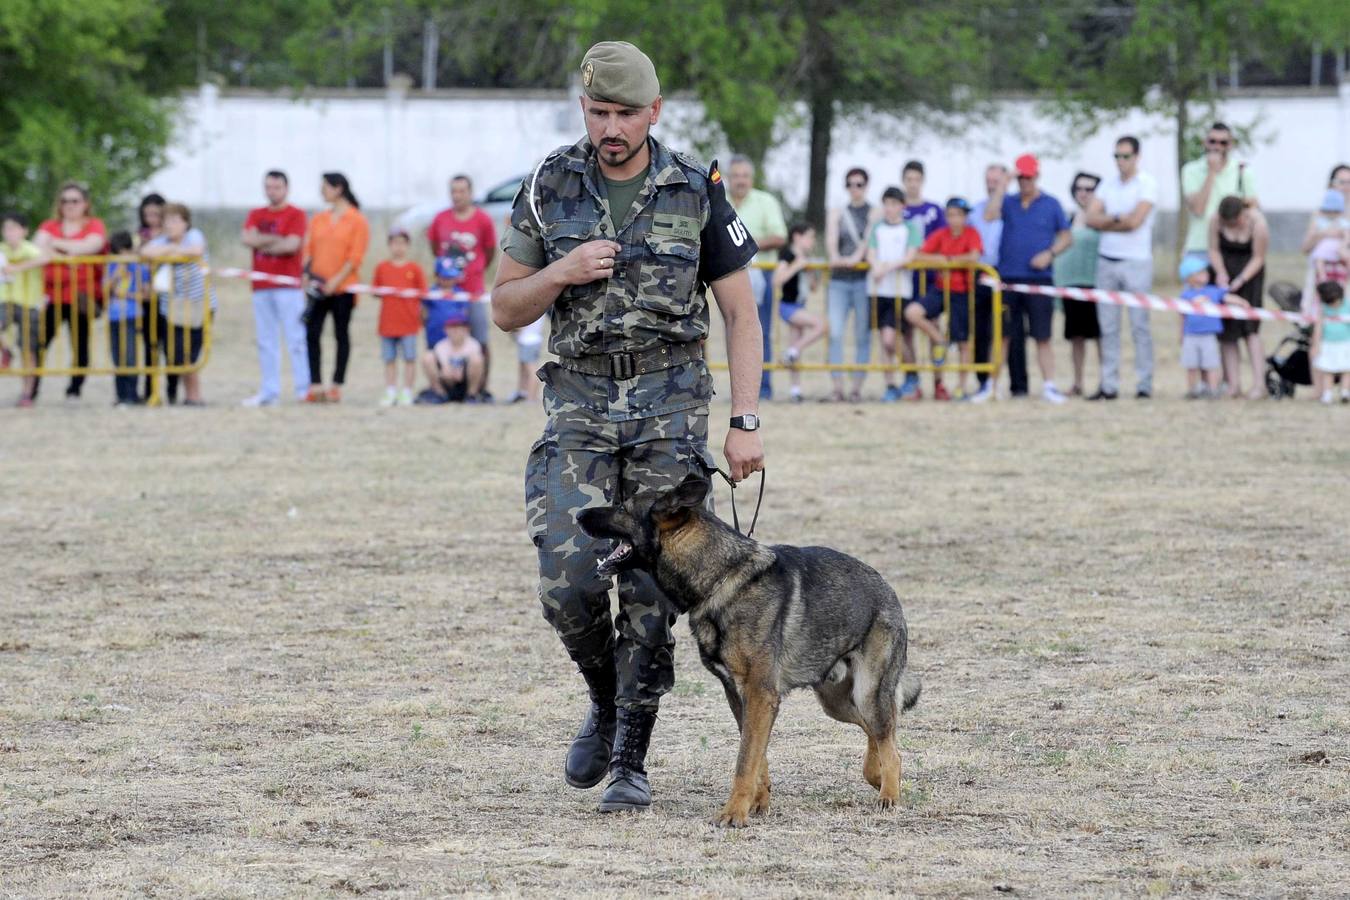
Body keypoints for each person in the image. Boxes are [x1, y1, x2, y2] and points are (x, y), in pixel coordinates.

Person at [491, 41, 763, 817]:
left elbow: (742, 313)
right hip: (577, 406)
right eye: (597, 112)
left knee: (650, 587)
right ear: (584, 110)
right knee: (569, 581)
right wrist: (560, 273)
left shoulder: (693, 186)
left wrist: (744, 421)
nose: (610, 128)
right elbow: (504, 306)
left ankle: (629, 761)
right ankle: (606, 700)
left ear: (654, 111)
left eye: (624, 114)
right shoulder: (549, 183)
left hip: (670, 409)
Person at [984, 153, 1072, 403]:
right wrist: (1002, 185)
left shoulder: (1051, 204)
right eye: (1021, 177)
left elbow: (1066, 236)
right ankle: (991, 385)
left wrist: (1050, 253)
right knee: (1002, 335)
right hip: (1008, 278)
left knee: (1042, 335)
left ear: (1037, 176)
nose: (1025, 182)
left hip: (1039, 280)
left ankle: (1049, 386)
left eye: (1029, 177)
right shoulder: (1008, 202)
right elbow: (989, 215)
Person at [1086, 136, 1157, 399]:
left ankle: (1144, 384)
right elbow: (1090, 217)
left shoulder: (1147, 184)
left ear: (1137, 157)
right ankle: (1109, 384)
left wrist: (1109, 220)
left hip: (1136, 261)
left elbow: (1135, 222)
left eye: (1125, 156)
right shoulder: (1107, 184)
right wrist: (1117, 218)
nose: (1121, 162)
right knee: (1108, 327)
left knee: (1139, 325)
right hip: (1107, 259)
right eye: (1117, 156)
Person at [33, 181, 108, 401]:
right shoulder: (49, 224)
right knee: (39, 343)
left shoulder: (94, 224)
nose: (69, 205)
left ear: (85, 203)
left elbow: (89, 246)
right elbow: (37, 247)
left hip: (82, 296)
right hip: (52, 296)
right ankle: (32, 388)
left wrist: (55, 246)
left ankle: (74, 389)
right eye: (65, 201)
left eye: (74, 200)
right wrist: (69, 255)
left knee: (80, 345)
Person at [241, 171, 309, 407]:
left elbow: (291, 245)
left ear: (286, 188)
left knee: (296, 339)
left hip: (288, 285)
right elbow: (247, 239)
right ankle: (270, 391)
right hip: (261, 285)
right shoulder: (255, 213)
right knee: (266, 340)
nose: (272, 191)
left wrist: (263, 239)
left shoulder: (296, 214)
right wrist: (276, 239)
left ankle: (303, 389)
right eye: (268, 187)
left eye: (277, 187)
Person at [428, 175, 497, 400]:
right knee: (442, 342)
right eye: (453, 191)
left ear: (470, 192)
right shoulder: (440, 219)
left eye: (462, 191)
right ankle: (444, 387)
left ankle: (479, 388)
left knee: (479, 340)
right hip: (447, 292)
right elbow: (435, 247)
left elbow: (489, 251)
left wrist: (475, 270)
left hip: (472, 290)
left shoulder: (483, 220)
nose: (457, 195)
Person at [303, 172, 369, 404]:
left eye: (325, 187)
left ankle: (336, 384)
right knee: (312, 333)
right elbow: (308, 250)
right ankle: (316, 384)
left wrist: (336, 281)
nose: (322, 192)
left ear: (338, 188)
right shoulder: (318, 218)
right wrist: (307, 277)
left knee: (341, 334)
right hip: (317, 286)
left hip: (344, 289)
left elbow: (355, 257)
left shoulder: (356, 220)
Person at [908, 197, 983, 400]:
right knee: (913, 312)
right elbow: (919, 255)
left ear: (965, 217)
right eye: (951, 215)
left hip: (962, 291)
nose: (954, 219)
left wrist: (949, 261)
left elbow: (974, 256)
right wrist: (940, 260)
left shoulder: (972, 234)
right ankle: (940, 340)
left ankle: (960, 385)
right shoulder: (941, 234)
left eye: (959, 215)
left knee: (963, 342)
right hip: (940, 289)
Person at [725, 155, 787, 400]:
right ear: (729, 179)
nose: (740, 180)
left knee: (761, 331)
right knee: (732, 331)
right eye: (736, 176)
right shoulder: (720, 201)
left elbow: (780, 236)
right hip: (729, 277)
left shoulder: (766, 201)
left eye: (745, 176)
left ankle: (765, 387)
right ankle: (737, 390)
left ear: (752, 178)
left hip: (762, 274)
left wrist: (744, 244)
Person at [141, 203, 215, 406]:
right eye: (167, 220)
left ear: (186, 222)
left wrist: (169, 251)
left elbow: (196, 250)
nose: (171, 225)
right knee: (175, 353)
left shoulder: (195, 235)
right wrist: (173, 249)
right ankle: (187, 394)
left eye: (176, 220)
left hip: (198, 304)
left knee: (189, 353)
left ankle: (194, 396)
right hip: (172, 306)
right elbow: (147, 252)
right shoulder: (162, 240)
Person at [1208, 196, 1269, 399]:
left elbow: (1259, 257)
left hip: (1250, 276)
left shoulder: (1258, 224)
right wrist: (1220, 272)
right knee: (1227, 332)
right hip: (1224, 275)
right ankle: (1233, 384)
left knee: (1250, 330)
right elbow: (1214, 249)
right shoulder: (1215, 220)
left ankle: (1259, 385)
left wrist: (1241, 279)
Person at [866, 187, 921, 402]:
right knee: (884, 339)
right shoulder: (877, 228)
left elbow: (909, 256)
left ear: (902, 206)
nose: (890, 209)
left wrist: (885, 268)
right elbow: (871, 253)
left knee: (893, 338)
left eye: (894, 204)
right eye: (887, 204)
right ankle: (890, 383)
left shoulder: (909, 228)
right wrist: (876, 266)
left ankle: (911, 372)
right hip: (878, 290)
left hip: (900, 290)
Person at [825, 167, 875, 402]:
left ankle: (856, 387)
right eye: (851, 184)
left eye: (859, 184)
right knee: (835, 333)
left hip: (864, 280)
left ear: (866, 185)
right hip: (838, 280)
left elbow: (869, 238)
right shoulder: (837, 211)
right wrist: (835, 256)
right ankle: (837, 388)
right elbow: (831, 238)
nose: (855, 188)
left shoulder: (874, 211)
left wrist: (857, 258)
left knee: (862, 335)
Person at [1181, 122, 1258, 261]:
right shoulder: (1190, 170)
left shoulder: (1243, 171)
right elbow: (1198, 209)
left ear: (1230, 144)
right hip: (1200, 247)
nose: (1217, 147)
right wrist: (1211, 172)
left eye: (1223, 142)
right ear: (1205, 142)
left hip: (1230, 247)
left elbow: (1253, 209)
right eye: (1212, 141)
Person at [1055, 172, 1102, 397]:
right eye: (1079, 189)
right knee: (1076, 337)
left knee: (1101, 336)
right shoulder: (1069, 219)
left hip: (1097, 284)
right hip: (1072, 284)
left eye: (1089, 189)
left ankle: (1106, 380)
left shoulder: (1102, 218)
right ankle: (1078, 381)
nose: (1083, 193)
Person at [1177, 255, 1249, 399]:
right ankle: (1193, 390)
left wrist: (1241, 302)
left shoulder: (1213, 291)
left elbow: (1227, 298)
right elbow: (1182, 317)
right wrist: (1181, 334)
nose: (1206, 274)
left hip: (1209, 336)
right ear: (1189, 278)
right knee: (1191, 365)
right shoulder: (1186, 296)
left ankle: (1213, 390)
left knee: (1211, 364)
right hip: (1191, 335)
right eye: (1201, 272)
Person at [772, 222, 826, 402]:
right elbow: (777, 280)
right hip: (788, 306)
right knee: (821, 326)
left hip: (800, 305)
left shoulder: (806, 257)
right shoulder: (787, 254)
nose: (812, 241)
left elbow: (813, 288)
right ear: (797, 236)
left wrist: (811, 272)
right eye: (809, 237)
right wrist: (796, 265)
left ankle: (795, 390)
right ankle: (791, 351)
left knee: (797, 348)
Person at [373, 229, 428, 407]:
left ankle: (407, 391)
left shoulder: (415, 269)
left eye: (402, 243)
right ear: (389, 245)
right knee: (389, 359)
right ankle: (390, 390)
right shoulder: (382, 267)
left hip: (409, 323)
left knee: (409, 358)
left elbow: (423, 293)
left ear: (408, 245)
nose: (398, 247)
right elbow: (376, 291)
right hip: (387, 323)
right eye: (395, 243)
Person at [968, 164, 1008, 403]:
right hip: (981, 275)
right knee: (981, 331)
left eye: (997, 181)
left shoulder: (1012, 208)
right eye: (989, 180)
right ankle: (983, 382)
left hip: (1005, 274)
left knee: (1004, 331)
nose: (991, 185)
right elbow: (988, 215)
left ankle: (999, 380)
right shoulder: (976, 211)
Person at [0, 212, 47, 406]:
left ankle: (27, 393)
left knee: (28, 350)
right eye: (6, 228)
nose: (9, 232)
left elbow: (46, 258)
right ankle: (5, 350)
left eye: (13, 228)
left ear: (24, 231)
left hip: (28, 303)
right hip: (4, 300)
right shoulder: (1, 250)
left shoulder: (30, 249)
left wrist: (18, 267)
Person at [104, 231, 150, 406]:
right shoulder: (111, 266)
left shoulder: (140, 268)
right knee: (117, 356)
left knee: (130, 355)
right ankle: (120, 395)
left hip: (132, 316)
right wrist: (116, 275)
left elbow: (146, 294)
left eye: (123, 251)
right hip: (114, 316)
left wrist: (126, 294)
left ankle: (132, 394)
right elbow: (106, 289)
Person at [136, 193, 166, 402]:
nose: (152, 218)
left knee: (171, 346)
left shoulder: (171, 235)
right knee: (150, 346)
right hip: (146, 297)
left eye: (156, 213)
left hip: (168, 296)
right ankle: (150, 390)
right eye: (148, 214)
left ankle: (171, 388)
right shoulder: (140, 235)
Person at [421, 307, 485, 402]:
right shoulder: (441, 345)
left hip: (465, 382)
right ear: (446, 330)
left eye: (459, 327)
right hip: (447, 381)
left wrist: (459, 371)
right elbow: (445, 369)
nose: (456, 330)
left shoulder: (473, 344)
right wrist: (448, 371)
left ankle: (472, 394)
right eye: (452, 327)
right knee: (428, 357)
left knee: (477, 359)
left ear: (466, 329)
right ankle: (439, 393)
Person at [1311, 281, 1350, 404]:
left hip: (1345, 344)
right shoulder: (1323, 309)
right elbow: (1318, 328)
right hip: (1328, 345)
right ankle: (1327, 394)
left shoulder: (1347, 305)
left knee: (1347, 370)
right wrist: (1316, 345)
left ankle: (1345, 392)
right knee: (1327, 370)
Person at [1307, 190, 1349, 287]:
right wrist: (1324, 233)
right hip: (1323, 250)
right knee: (1319, 260)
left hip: (1338, 251)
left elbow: (1346, 234)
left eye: (1335, 211)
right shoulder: (1320, 222)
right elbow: (1309, 242)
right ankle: (1322, 279)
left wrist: (1343, 246)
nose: (1332, 214)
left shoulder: (1343, 223)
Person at [507, 315, 545, 404]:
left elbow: (520, 326)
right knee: (524, 369)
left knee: (532, 371)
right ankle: (523, 392)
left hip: (529, 341)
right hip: (530, 340)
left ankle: (531, 398)